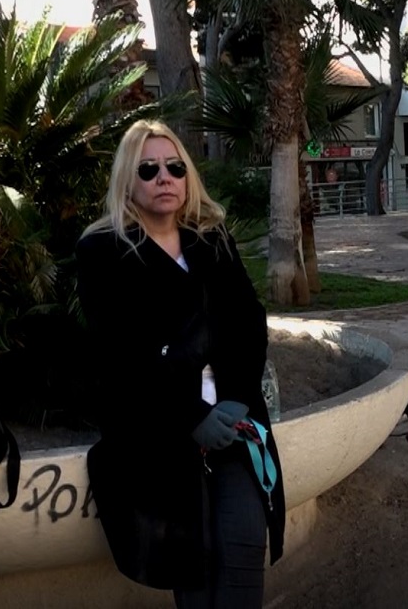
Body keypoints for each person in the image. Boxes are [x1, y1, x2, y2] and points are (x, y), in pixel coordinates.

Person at [75, 120, 285, 607]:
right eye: (148, 170)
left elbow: (248, 322)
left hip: (233, 424)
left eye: (174, 167)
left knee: (244, 541)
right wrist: (191, 417)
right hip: (158, 432)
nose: (164, 178)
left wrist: (237, 398)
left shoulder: (211, 238)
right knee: (193, 563)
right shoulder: (101, 250)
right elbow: (120, 354)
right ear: (128, 181)